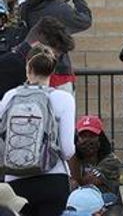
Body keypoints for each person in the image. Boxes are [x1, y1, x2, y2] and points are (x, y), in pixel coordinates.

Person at [0, 44, 76, 216]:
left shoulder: (10, 97)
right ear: (52, 69)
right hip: (53, 178)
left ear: (28, 66)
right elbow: (68, 149)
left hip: (16, 180)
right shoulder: (64, 99)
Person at [0, 16, 76, 95]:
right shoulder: (8, 66)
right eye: (52, 55)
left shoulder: (14, 63)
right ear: (38, 44)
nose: (53, 62)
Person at [68, 115, 123, 203]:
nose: (87, 140)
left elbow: (87, 182)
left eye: (92, 136)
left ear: (101, 138)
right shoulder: (73, 158)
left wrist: (73, 180)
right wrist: (72, 150)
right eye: (83, 136)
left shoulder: (111, 161)